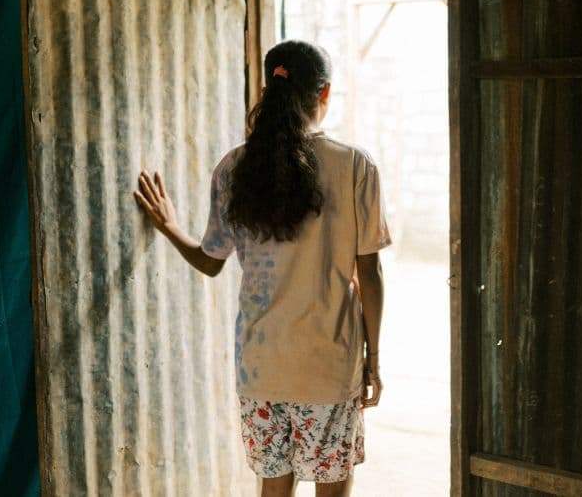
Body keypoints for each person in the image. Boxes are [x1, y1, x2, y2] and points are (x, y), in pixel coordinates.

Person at [134, 40, 390, 497]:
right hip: (327, 367)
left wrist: (171, 227)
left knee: (273, 488)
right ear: (324, 93)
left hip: (260, 369)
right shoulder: (355, 166)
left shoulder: (234, 168)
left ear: (268, 88)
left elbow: (210, 262)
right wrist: (373, 359)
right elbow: (368, 273)